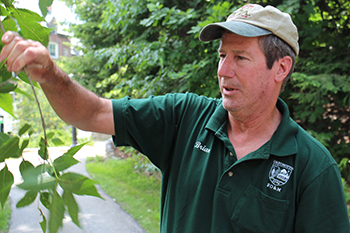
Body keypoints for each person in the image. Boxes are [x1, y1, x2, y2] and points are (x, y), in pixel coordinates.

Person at [1, 3, 349, 232]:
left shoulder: (311, 167)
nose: (223, 71)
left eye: (240, 58)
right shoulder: (184, 117)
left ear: (281, 68)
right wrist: (49, 74)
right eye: (221, 55)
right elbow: (93, 113)